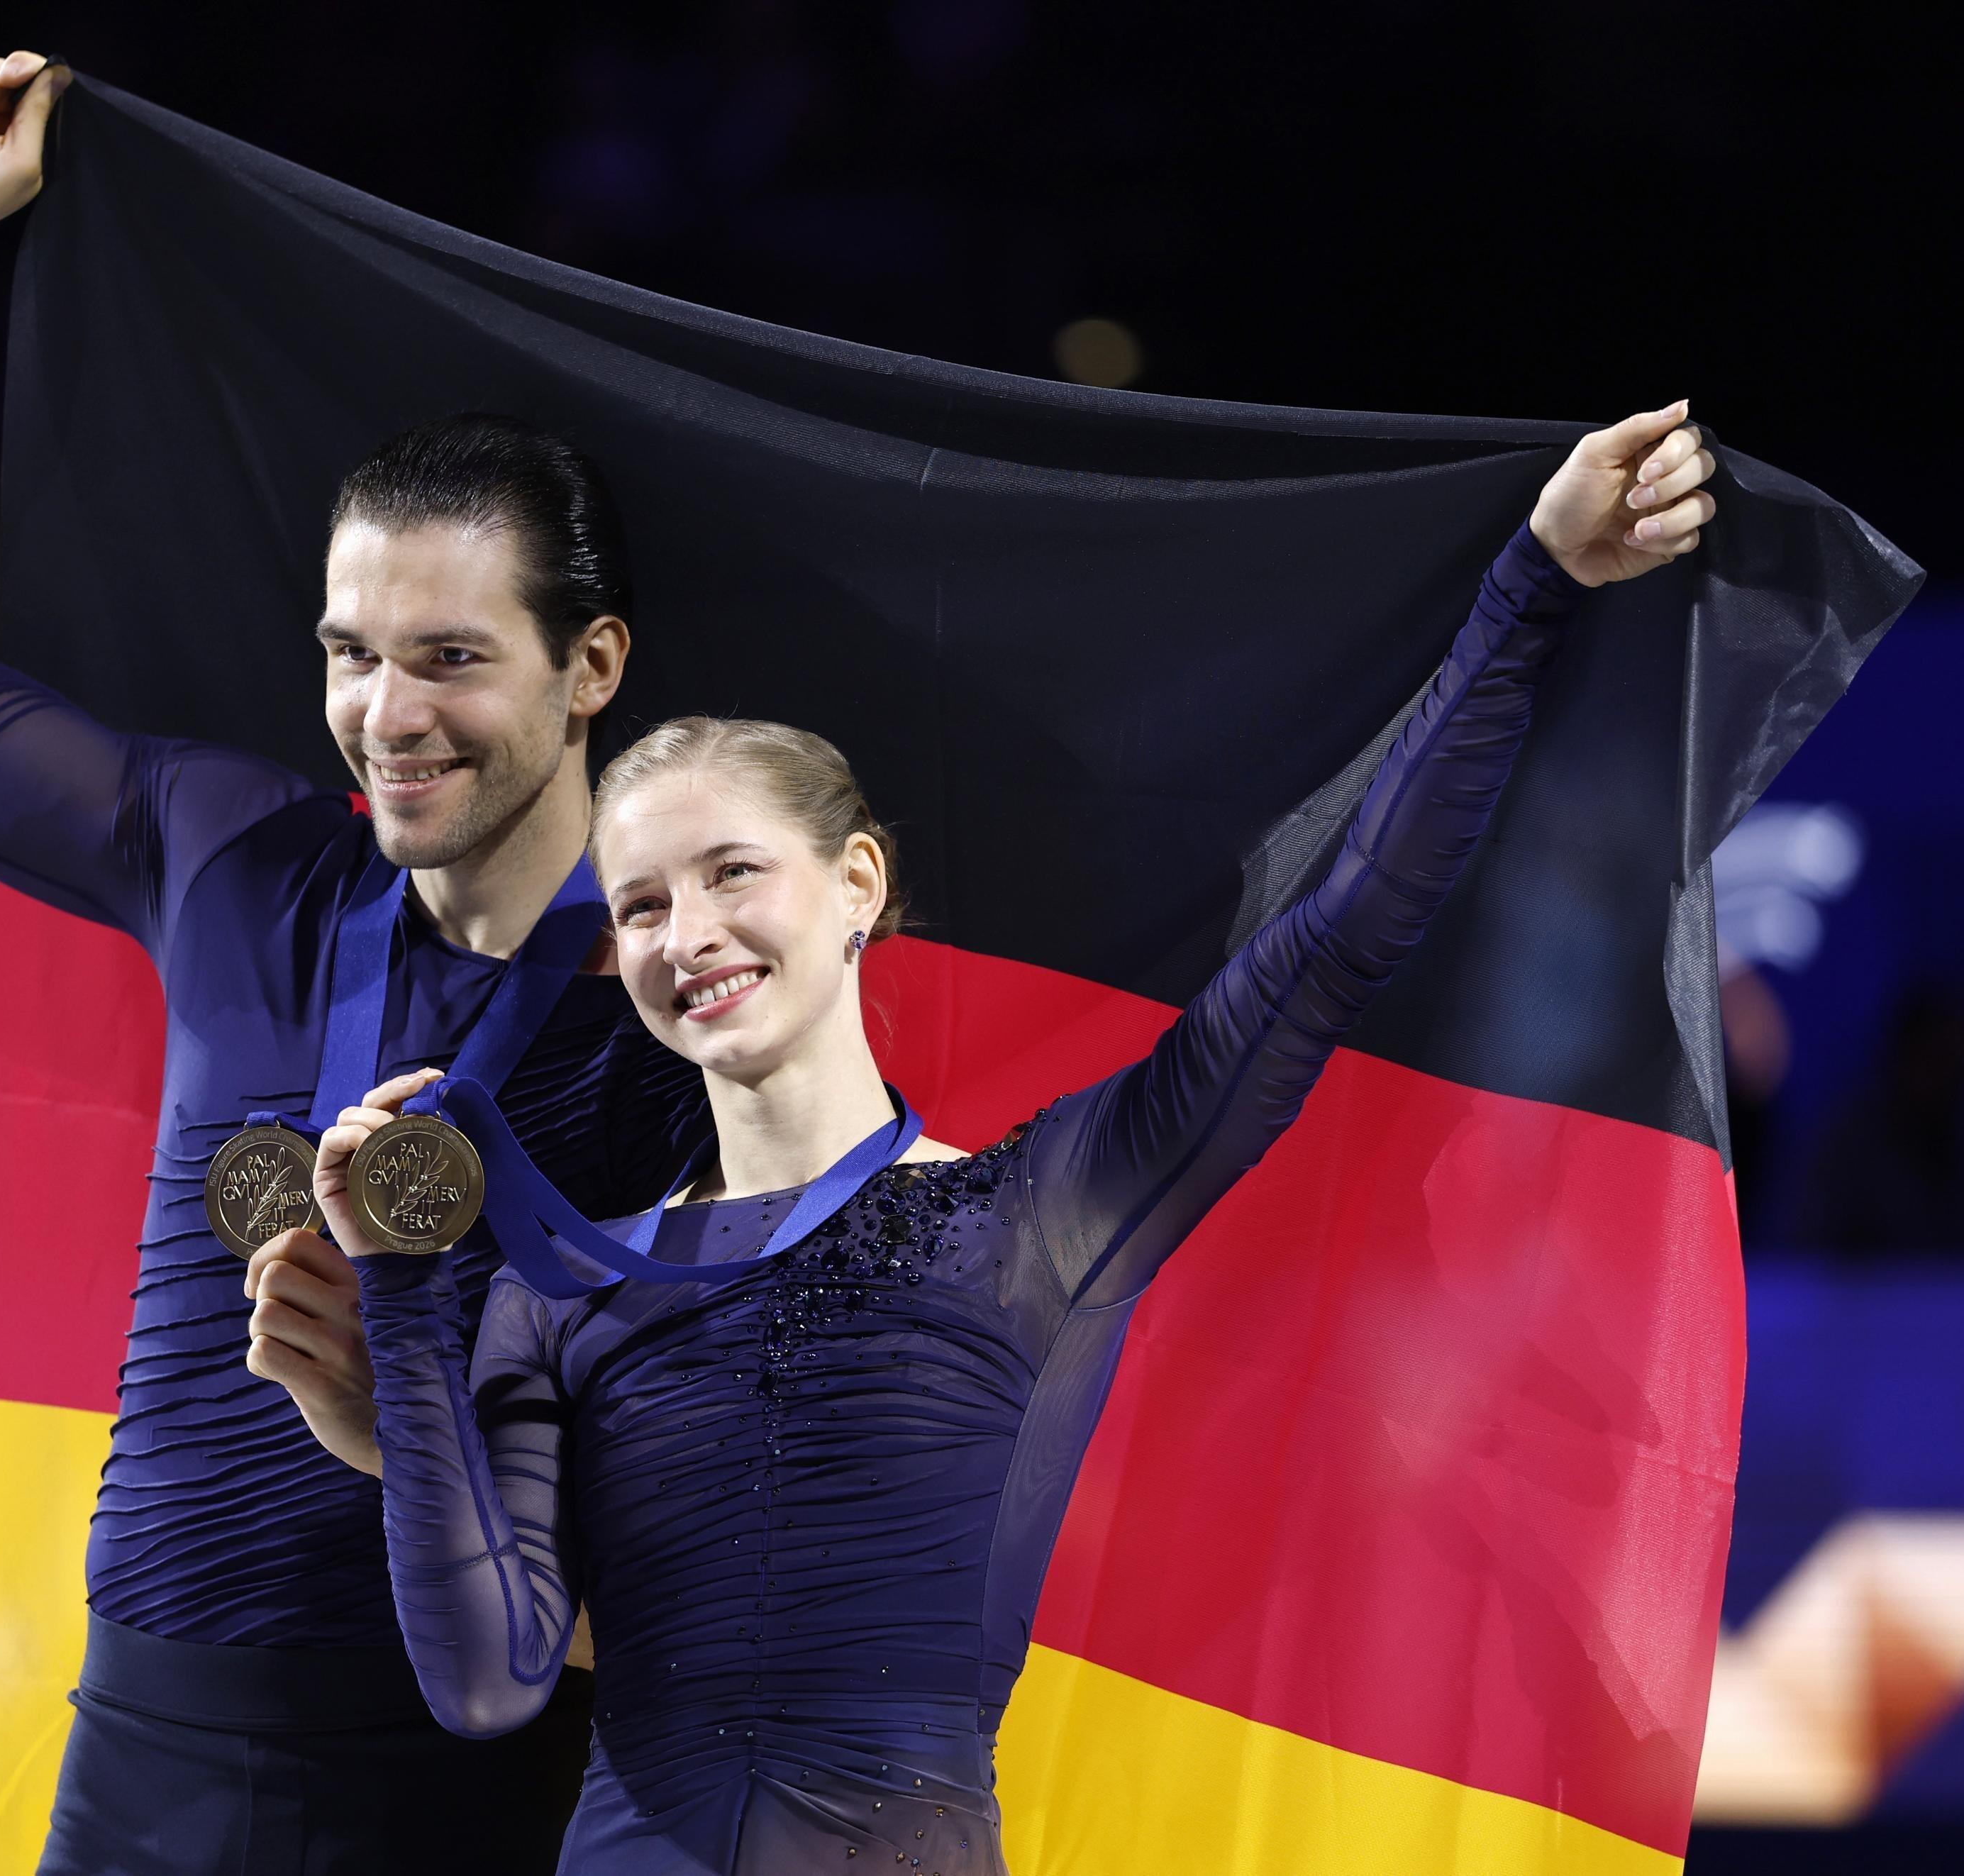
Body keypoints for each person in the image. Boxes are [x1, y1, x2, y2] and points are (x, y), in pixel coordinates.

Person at [253, 405, 1719, 1872]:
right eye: (640, 905)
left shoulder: (1039, 1214)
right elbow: (488, 1677)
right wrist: (397, 1281)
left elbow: (1342, 937)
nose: (686, 934)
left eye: (731, 873)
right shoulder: (551, 1288)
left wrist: (1533, 581)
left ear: (855, 883)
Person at [0, 50, 706, 1876]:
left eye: (450, 659)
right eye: (352, 652)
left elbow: (731, 1555)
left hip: (477, 1788)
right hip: (143, 1764)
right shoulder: (237, 859)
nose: (385, 714)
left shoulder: (694, 1007)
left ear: (592, 667)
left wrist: (390, 1438)